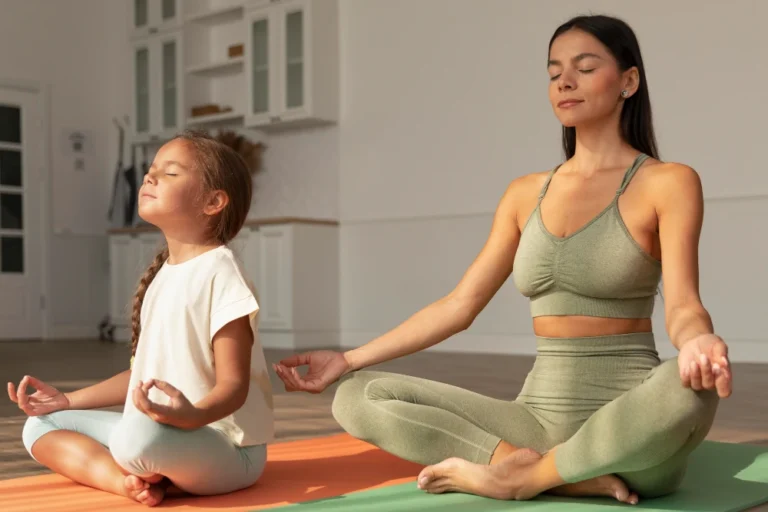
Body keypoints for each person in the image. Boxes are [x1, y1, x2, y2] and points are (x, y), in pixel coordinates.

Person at [273, 14, 731, 505]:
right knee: (357, 395)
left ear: (628, 81)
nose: (565, 82)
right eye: (554, 73)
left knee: (689, 389)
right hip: (533, 421)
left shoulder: (669, 182)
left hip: (628, 425)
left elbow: (683, 305)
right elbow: (459, 305)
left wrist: (698, 342)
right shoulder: (524, 193)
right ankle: (545, 470)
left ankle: (524, 478)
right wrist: (346, 360)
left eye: (584, 67)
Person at [8, 131, 274, 507]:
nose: (150, 178)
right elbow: (139, 377)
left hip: (230, 451)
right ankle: (127, 484)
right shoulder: (163, 275)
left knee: (136, 439)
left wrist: (190, 416)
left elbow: (234, 386)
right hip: (162, 438)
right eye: (152, 171)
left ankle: (145, 470)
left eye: (170, 173)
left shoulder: (222, 273)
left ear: (213, 201)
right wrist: (66, 401)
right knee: (39, 427)